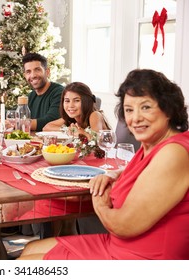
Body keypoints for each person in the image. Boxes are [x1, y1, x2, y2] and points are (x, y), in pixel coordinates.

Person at [19, 69, 189, 260]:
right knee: (30, 248)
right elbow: (149, 171)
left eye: (146, 107)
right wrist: (115, 173)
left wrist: (99, 201)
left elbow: (124, 226)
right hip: (121, 245)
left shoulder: (173, 152)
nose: (136, 118)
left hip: (141, 257)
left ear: (169, 109)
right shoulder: (153, 144)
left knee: (25, 263)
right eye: (129, 110)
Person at [43, 82, 111, 135]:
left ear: (86, 101)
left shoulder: (95, 115)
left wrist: (80, 132)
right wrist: (67, 129)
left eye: (76, 100)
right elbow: (46, 127)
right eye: (67, 101)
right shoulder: (72, 117)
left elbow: (96, 139)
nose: (71, 105)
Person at [22, 52, 64, 132]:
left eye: (37, 70)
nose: (33, 75)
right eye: (28, 72)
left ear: (47, 72)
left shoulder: (59, 92)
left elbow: (49, 121)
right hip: (35, 141)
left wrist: (17, 123)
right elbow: (14, 112)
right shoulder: (31, 96)